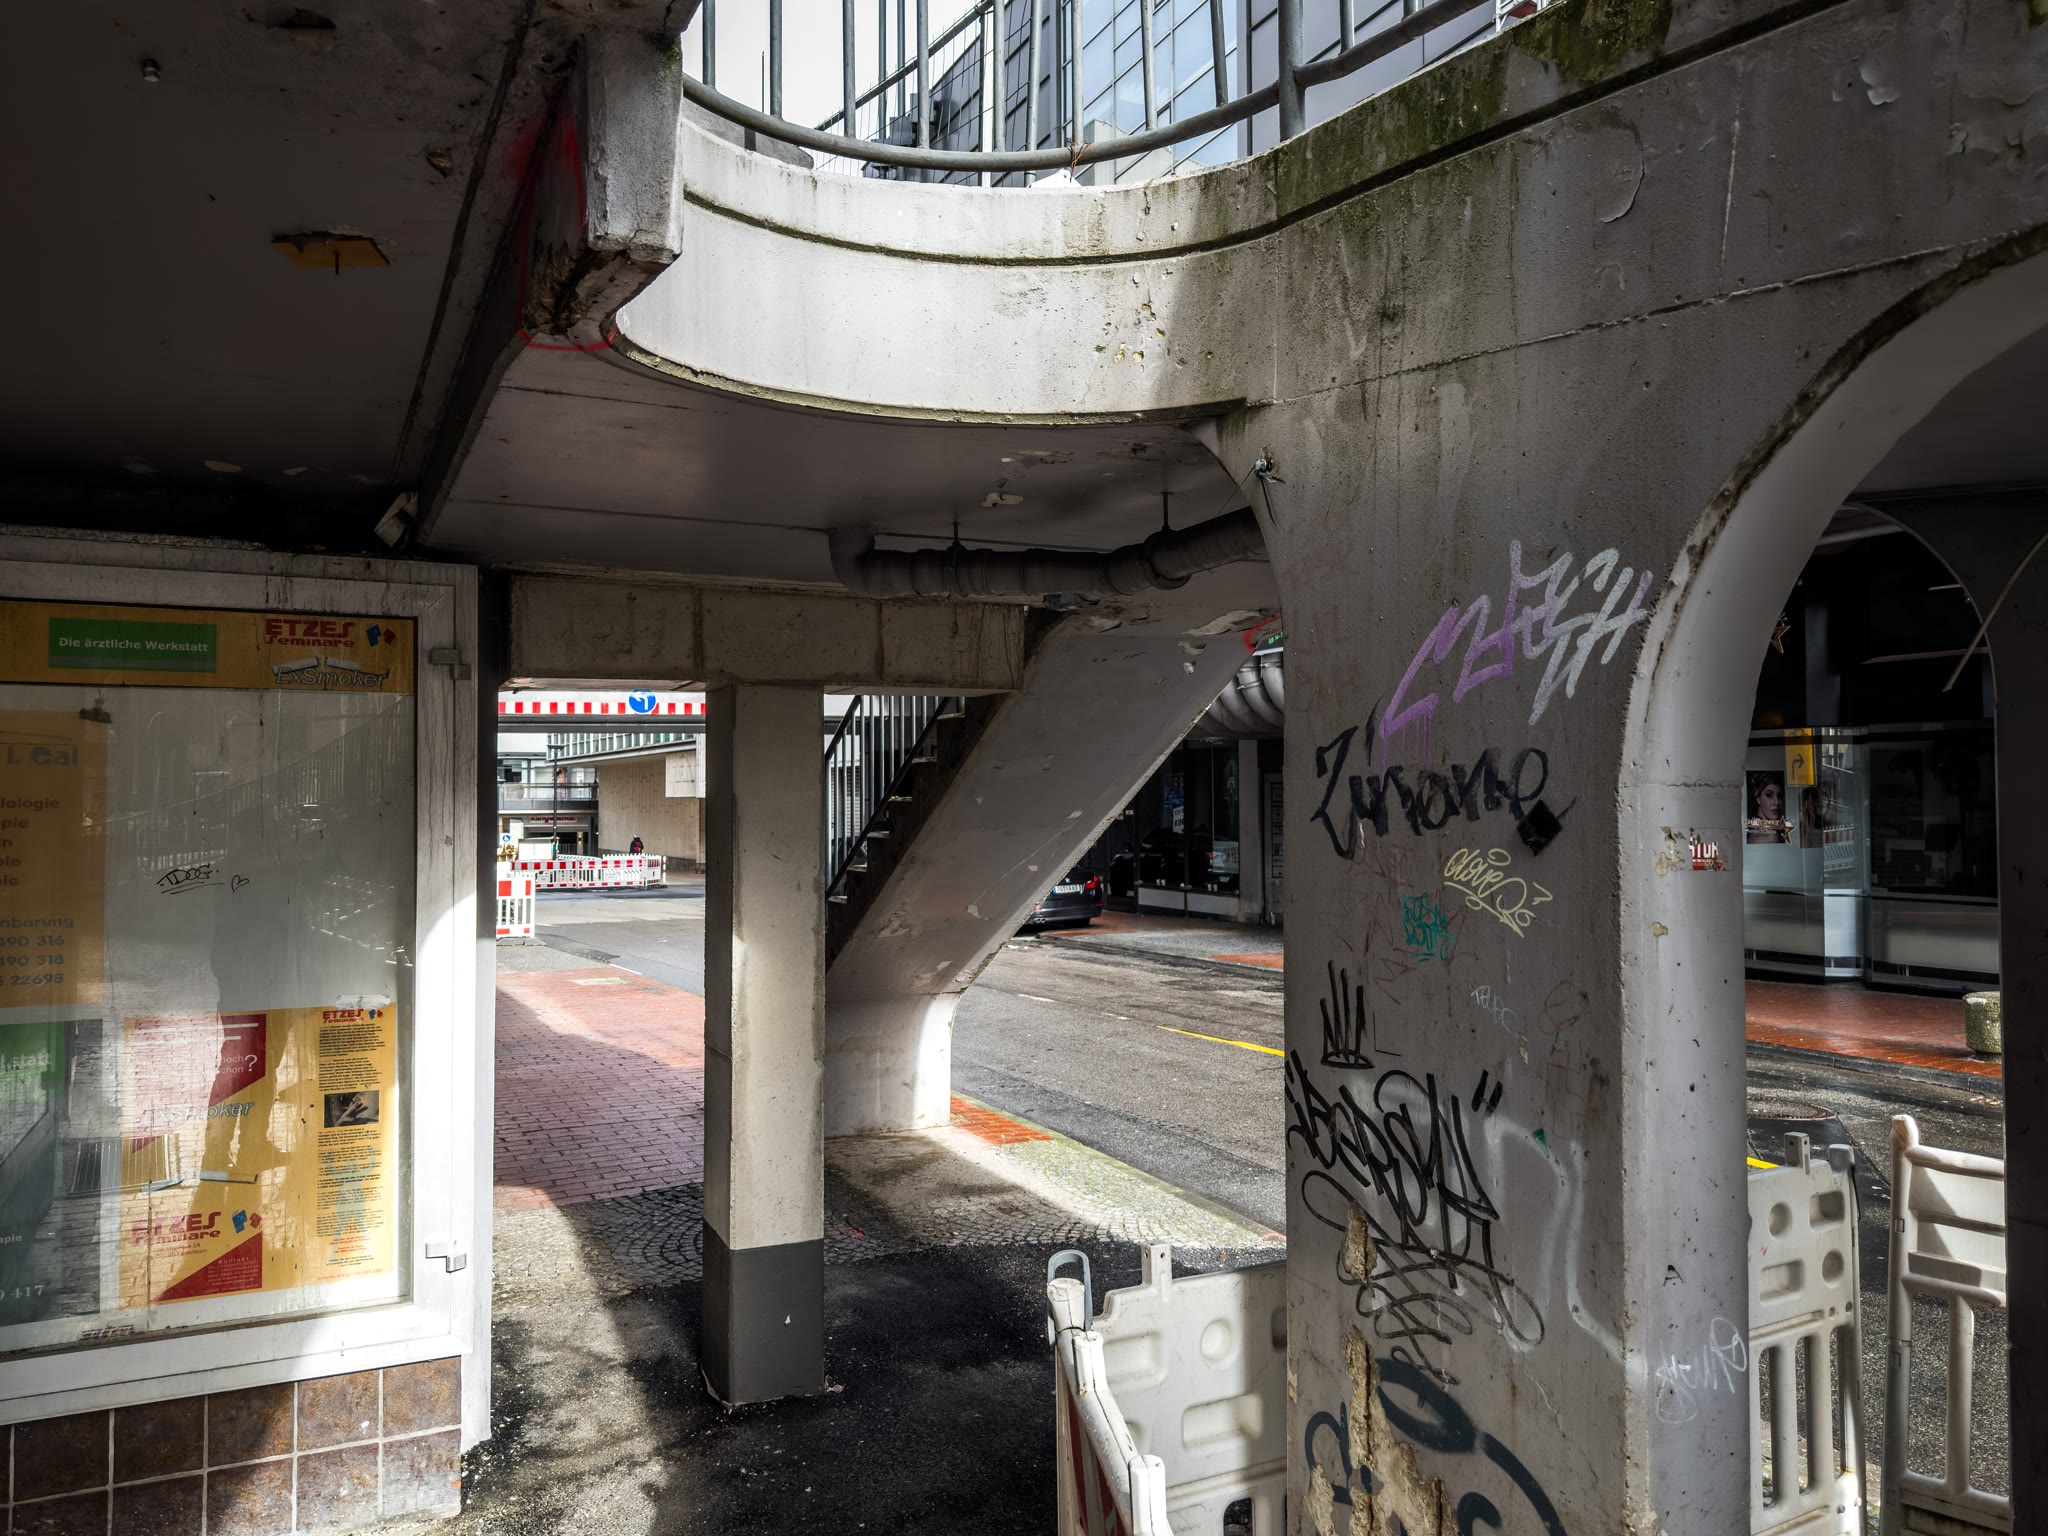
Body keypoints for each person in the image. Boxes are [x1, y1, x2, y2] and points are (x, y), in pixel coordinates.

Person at [1746, 775, 1788, 844]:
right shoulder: (1771, 836)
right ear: (1758, 799)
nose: (1777, 802)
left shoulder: (1755, 829)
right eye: (1769, 795)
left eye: (1779, 796)